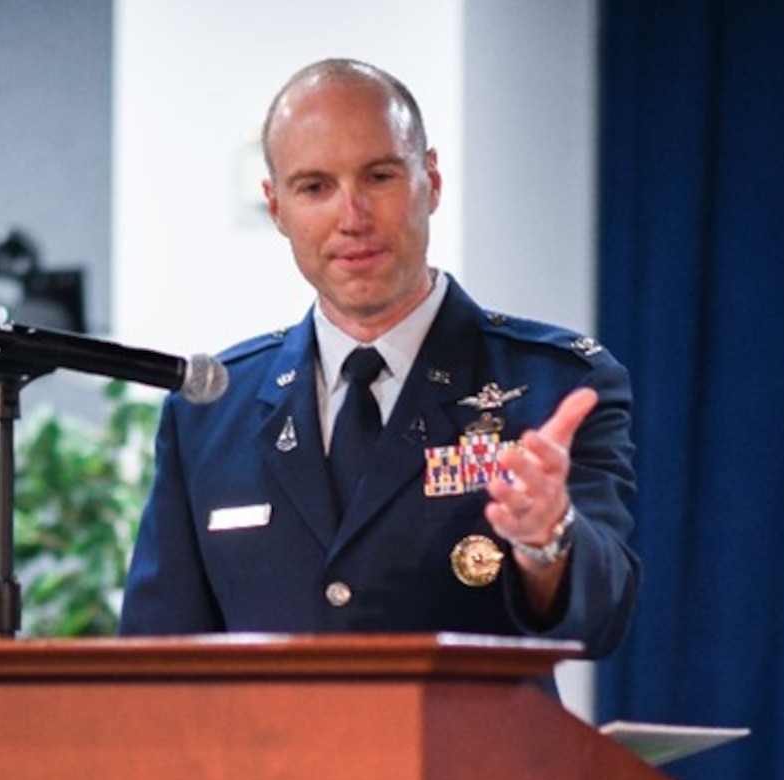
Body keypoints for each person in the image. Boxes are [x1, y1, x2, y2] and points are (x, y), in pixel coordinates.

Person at [119, 58, 640, 665]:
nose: (352, 218)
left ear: (432, 180)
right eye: (315, 187)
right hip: (266, 761)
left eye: (379, 177)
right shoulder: (211, 411)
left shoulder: (552, 385)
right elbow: (157, 656)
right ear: (277, 206)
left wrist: (548, 539)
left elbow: (602, 618)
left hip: (466, 759)